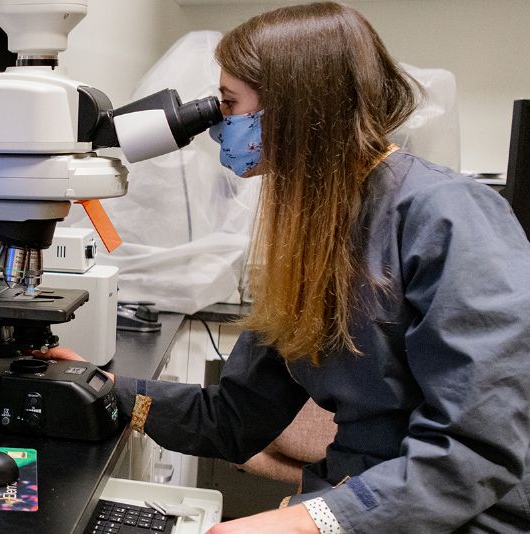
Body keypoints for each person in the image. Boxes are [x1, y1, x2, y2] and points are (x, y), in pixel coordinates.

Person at [41, 2, 530, 532]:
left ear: (298, 108)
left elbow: (478, 449)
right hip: (348, 498)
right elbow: (235, 417)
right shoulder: (312, 229)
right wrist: (101, 387)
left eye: (228, 106)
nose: (216, 125)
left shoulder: (448, 214)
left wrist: (302, 523)